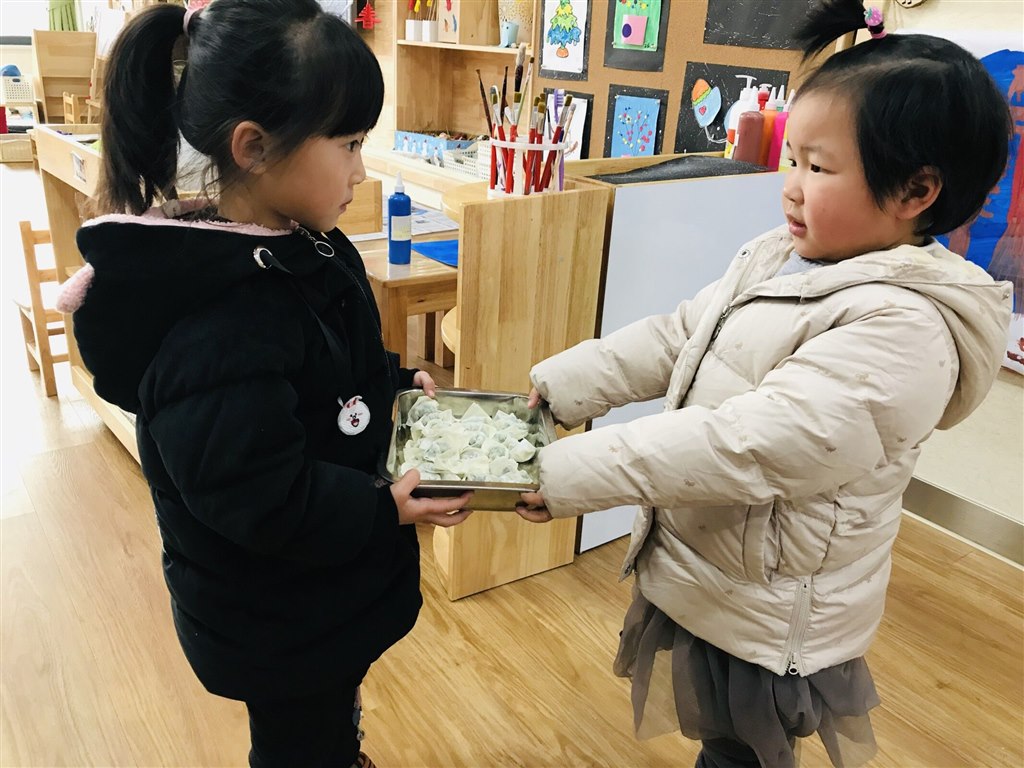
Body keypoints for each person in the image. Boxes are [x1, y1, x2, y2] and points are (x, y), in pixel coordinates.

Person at [516, 2, 1013, 766]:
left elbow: (742, 445)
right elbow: (680, 334)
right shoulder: (780, 255)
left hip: (772, 613)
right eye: (793, 160)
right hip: (716, 569)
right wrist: (564, 387)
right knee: (720, 741)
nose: (792, 187)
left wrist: (563, 472)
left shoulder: (904, 331)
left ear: (916, 192)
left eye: (819, 168)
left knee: (742, 752)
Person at [57, 2, 472, 766]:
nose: (361, 170)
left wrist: (392, 384)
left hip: (319, 593)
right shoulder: (217, 322)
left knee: (326, 712)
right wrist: (383, 507)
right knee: (297, 739)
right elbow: (258, 495)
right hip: (275, 615)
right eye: (348, 144)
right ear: (253, 147)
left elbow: (330, 368)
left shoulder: (305, 246)